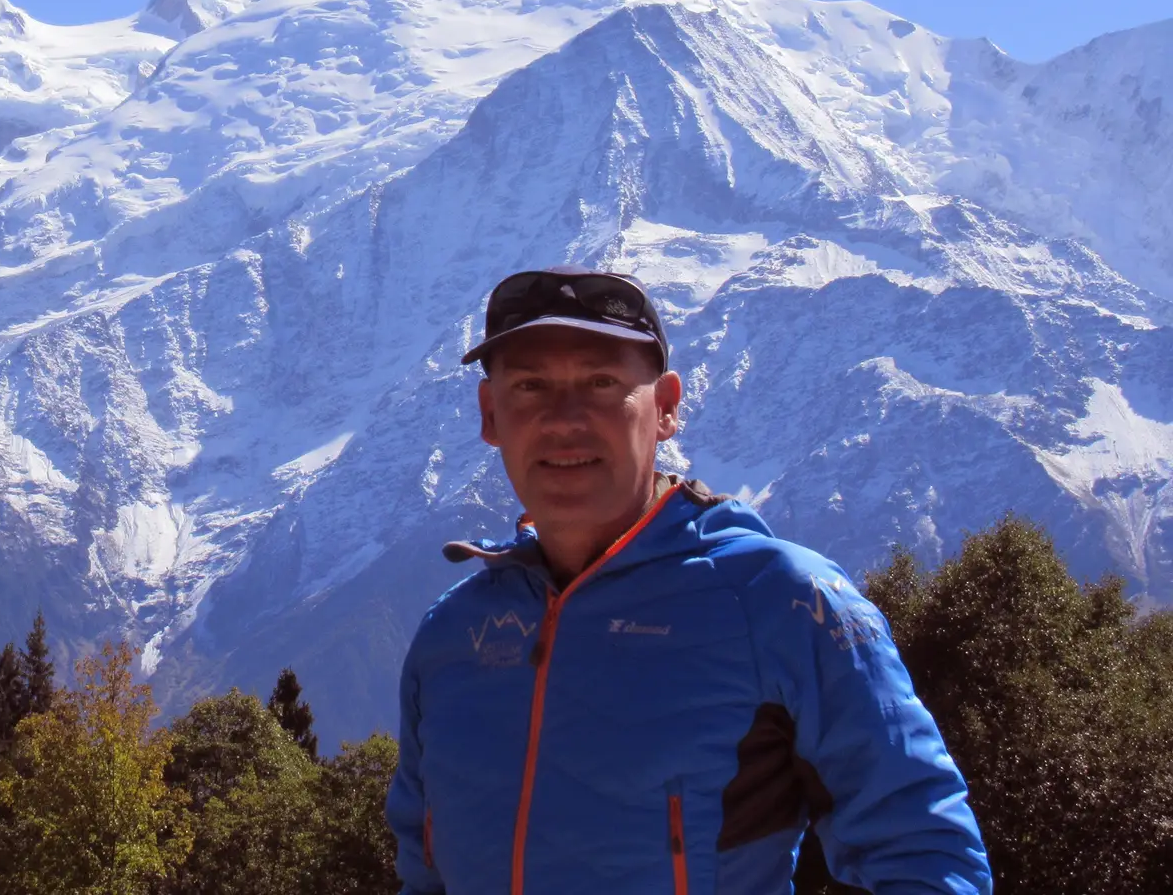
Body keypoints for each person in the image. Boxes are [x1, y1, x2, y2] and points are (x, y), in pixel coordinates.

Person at [386, 267, 991, 894]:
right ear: (490, 414)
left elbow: (924, 851)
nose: (564, 420)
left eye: (601, 383)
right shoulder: (452, 635)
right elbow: (422, 875)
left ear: (667, 407)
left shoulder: (779, 600)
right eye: (530, 386)